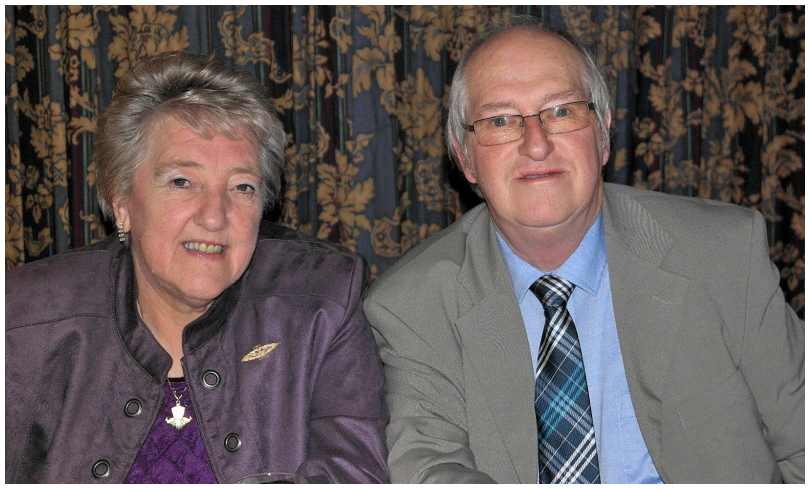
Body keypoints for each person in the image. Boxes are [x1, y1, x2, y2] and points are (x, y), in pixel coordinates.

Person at [364, 18, 804, 484]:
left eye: (561, 111)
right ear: (464, 156)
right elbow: (431, 467)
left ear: (603, 132)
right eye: (500, 121)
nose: (536, 144)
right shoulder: (411, 306)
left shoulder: (723, 255)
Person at [6, 52, 389, 483]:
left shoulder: (322, 304)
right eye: (182, 182)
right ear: (122, 203)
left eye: (242, 187)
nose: (214, 216)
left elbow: (354, 475)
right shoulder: (24, 318)